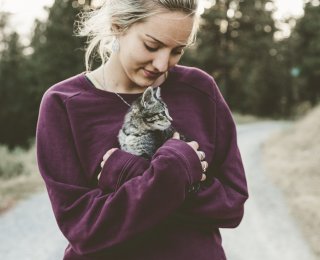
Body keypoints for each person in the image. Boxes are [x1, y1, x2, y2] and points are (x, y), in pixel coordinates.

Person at [36, 0, 248, 259]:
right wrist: (173, 173)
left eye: (177, 50)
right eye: (152, 45)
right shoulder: (64, 103)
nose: (162, 64)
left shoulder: (200, 90)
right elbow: (84, 229)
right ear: (118, 26)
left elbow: (231, 204)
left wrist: (132, 174)